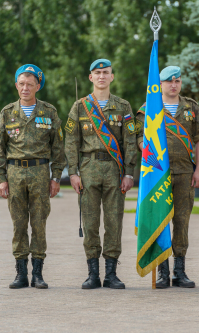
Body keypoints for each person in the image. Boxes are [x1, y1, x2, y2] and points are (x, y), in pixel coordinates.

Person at [64, 59, 138, 289]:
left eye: (106, 72)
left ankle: (111, 274)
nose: (102, 76)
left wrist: (129, 173)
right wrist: (73, 173)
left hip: (115, 171)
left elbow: (130, 142)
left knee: (114, 222)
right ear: (91, 77)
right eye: (97, 73)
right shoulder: (79, 106)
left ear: (112, 77)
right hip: (88, 170)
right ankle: (93, 273)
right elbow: (71, 142)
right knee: (90, 223)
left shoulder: (123, 106)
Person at [0, 64, 66, 289]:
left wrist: (56, 177)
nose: (25, 88)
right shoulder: (7, 113)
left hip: (40, 173)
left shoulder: (49, 112)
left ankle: (38, 274)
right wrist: (1, 178)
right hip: (14, 173)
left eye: (30, 84)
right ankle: (21, 273)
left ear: (37, 86)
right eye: (21, 84)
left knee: (39, 223)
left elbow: (58, 149)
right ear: (16, 85)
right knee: (19, 224)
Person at [135, 66, 199, 288]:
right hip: (158, 175)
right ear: (161, 84)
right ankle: (163, 271)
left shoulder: (191, 108)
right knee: (160, 219)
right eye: (168, 81)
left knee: (181, 222)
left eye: (177, 81)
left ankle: (179, 271)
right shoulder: (148, 108)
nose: (173, 85)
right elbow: (140, 138)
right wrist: (152, 160)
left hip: (185, 173)